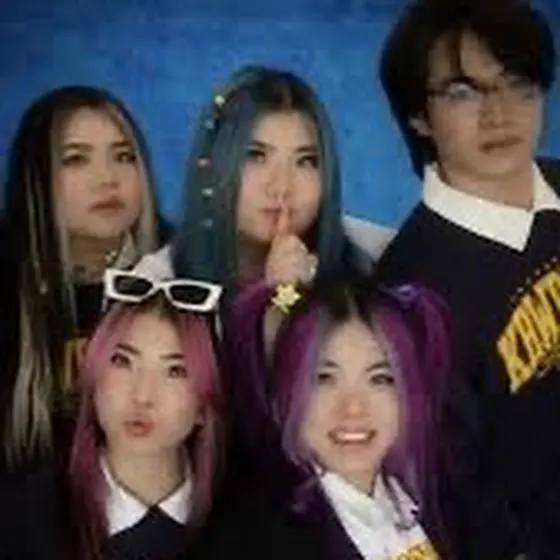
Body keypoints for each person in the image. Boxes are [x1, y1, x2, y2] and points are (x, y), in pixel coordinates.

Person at [374, 0, 559, 556]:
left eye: (517, 83)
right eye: (463, 92)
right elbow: (455, 492)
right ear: (418, 115)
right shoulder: (406, 292)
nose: (499, 113)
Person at [200, 275, 449, 559]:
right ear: (284, 392)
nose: (353, 408)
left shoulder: (429, 495)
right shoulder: (252, 539)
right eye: (324, 379)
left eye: (380, 379)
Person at [0, 85, 171, 468]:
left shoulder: (183, 273)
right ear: (36, 178)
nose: (107, 178)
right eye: (76, 159)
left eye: (124, 157)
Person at [1, 268, 224, 559]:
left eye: (175, 371)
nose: (142, 395)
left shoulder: (250, 522)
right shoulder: (21, 518)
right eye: (122, 361)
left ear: (205, 403)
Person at [135, 65, 393, 291]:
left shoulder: (381, 255)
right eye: (255, 156)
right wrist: (277, 301)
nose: (281, 186)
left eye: (306, 161)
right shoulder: (156, 284)